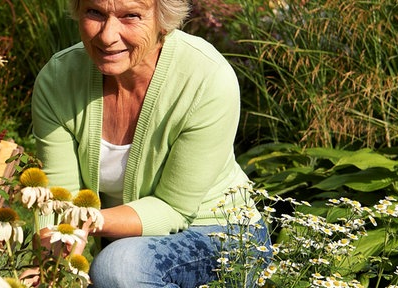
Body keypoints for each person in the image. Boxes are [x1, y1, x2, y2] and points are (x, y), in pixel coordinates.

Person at [29, 0, 270, 287]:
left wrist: (85, 222)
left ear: (163, 19)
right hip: (128, 246)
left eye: (131, 16)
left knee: (118, 267)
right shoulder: (58, 79)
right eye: (95, 12)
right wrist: (51, 259)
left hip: (220, 234)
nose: (107, 35)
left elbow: (173, 209)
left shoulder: (206, 78)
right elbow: (58, 201)